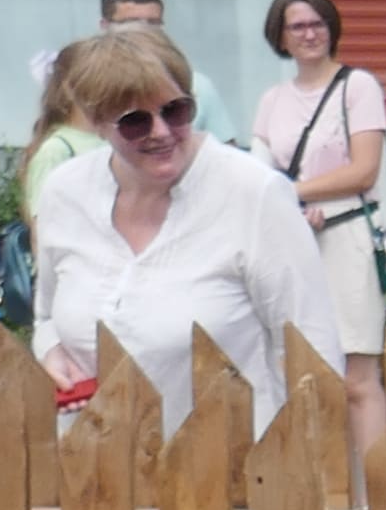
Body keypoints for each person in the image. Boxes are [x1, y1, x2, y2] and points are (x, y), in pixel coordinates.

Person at [26, 25, 340, 433]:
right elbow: (46, 315)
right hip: (95, 467)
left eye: (175, 111)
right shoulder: (64, 192)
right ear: (98, 122)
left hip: (230, 471)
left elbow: (310, 350)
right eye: (135, 121)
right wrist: (50, 350)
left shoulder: (254, 192)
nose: (161, 131)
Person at [252, 0, 386, 462]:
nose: (310, 34)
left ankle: (380, 500)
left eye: (318, 23)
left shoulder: (357, 87)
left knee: (358, 377)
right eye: (298, 26)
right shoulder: (272, 100)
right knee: (301, 374)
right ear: (281, 36)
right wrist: (288, 209)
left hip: (344, 237)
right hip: (291, 245)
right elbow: (260, 176)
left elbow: (364, 170)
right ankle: (321, 501)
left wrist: (292, 194)